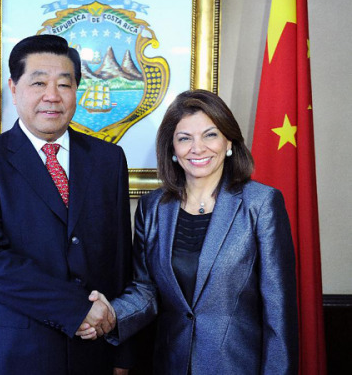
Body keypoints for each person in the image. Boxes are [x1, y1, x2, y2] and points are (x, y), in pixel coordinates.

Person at [78, 89, 299, 374]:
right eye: (185, 138)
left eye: (210, 135)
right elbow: (147, 291)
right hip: (170, 364)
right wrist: (111, 313)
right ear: (172, 148)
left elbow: (278, 310)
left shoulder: (261, 203)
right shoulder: (153, 207)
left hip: (237, 366)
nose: (198, 148)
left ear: (229, 141)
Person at [0, 34, 134, 375]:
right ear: (13, 87)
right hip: (16, 353)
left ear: (76, 91)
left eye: (64, 84)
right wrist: (76, 309)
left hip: (94, 350)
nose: (52, 96)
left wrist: (123, 353)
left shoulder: (108, 159)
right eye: (39, 82)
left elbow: (119, 260)